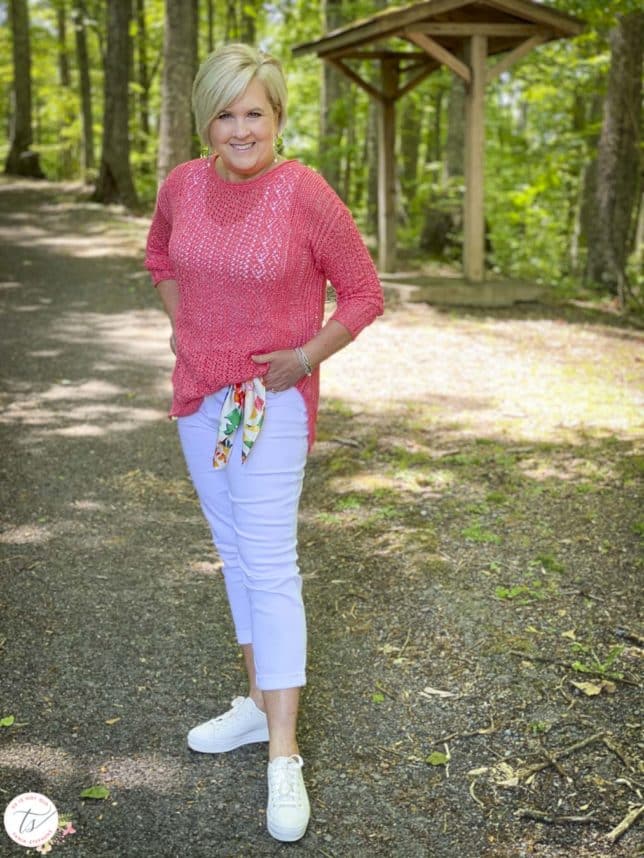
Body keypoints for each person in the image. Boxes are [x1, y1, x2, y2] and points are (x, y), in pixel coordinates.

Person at [145, 42, 383, 843]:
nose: (240, 129)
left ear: (277, 117)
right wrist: (183, 322)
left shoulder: (304, 193)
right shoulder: (182, 185)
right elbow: (158, 255)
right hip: (198, 398)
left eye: (255, 113)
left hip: (268, 402)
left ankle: (285, 754)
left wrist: (306, 357)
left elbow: (364, 293)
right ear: (204, 121)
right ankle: (255, 706)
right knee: (235, 554)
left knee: (271, 561)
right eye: (225, 114)